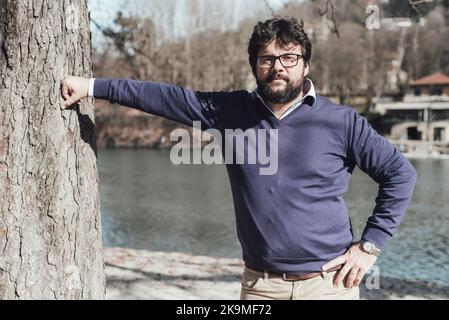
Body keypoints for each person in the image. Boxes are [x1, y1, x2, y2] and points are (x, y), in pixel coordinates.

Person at [60, 17, 417, 300]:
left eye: (289, 57)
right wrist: (92, 87)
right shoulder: (230, 111)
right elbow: (161, 96)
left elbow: (400, 174)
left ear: (305, 65)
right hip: (260, 286)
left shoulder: (341, 121)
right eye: (267, 59)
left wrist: (370, 246)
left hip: (328, 286)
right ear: (255, 67)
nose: (278, 66)